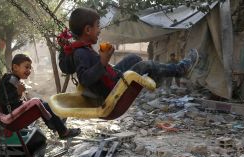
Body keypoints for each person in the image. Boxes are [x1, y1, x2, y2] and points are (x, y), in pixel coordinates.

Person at [68, 7, 199, 100]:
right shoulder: (80, 53)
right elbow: (85, 79)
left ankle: (156, 77)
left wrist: (105, 62)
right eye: (98, 26)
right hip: (112, 88)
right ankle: (181, 69)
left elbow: (98, 69)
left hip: (111, 78)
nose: (100, 30)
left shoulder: (86, 48)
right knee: (145, 65)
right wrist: (103, 62)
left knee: (133, 58)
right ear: (88, 30)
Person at [0, 54, 80, 139]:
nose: (29, 70)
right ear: (16, 67)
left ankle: (55, 124)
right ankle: (60, 129)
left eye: (30, 68)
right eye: (26, 67)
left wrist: (18, 93)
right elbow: (2, 98)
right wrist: (18, 92)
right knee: (42, 104)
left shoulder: (11, 79)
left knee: (43, 104)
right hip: (12, 116)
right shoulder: (11, 79)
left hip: (13, 112)